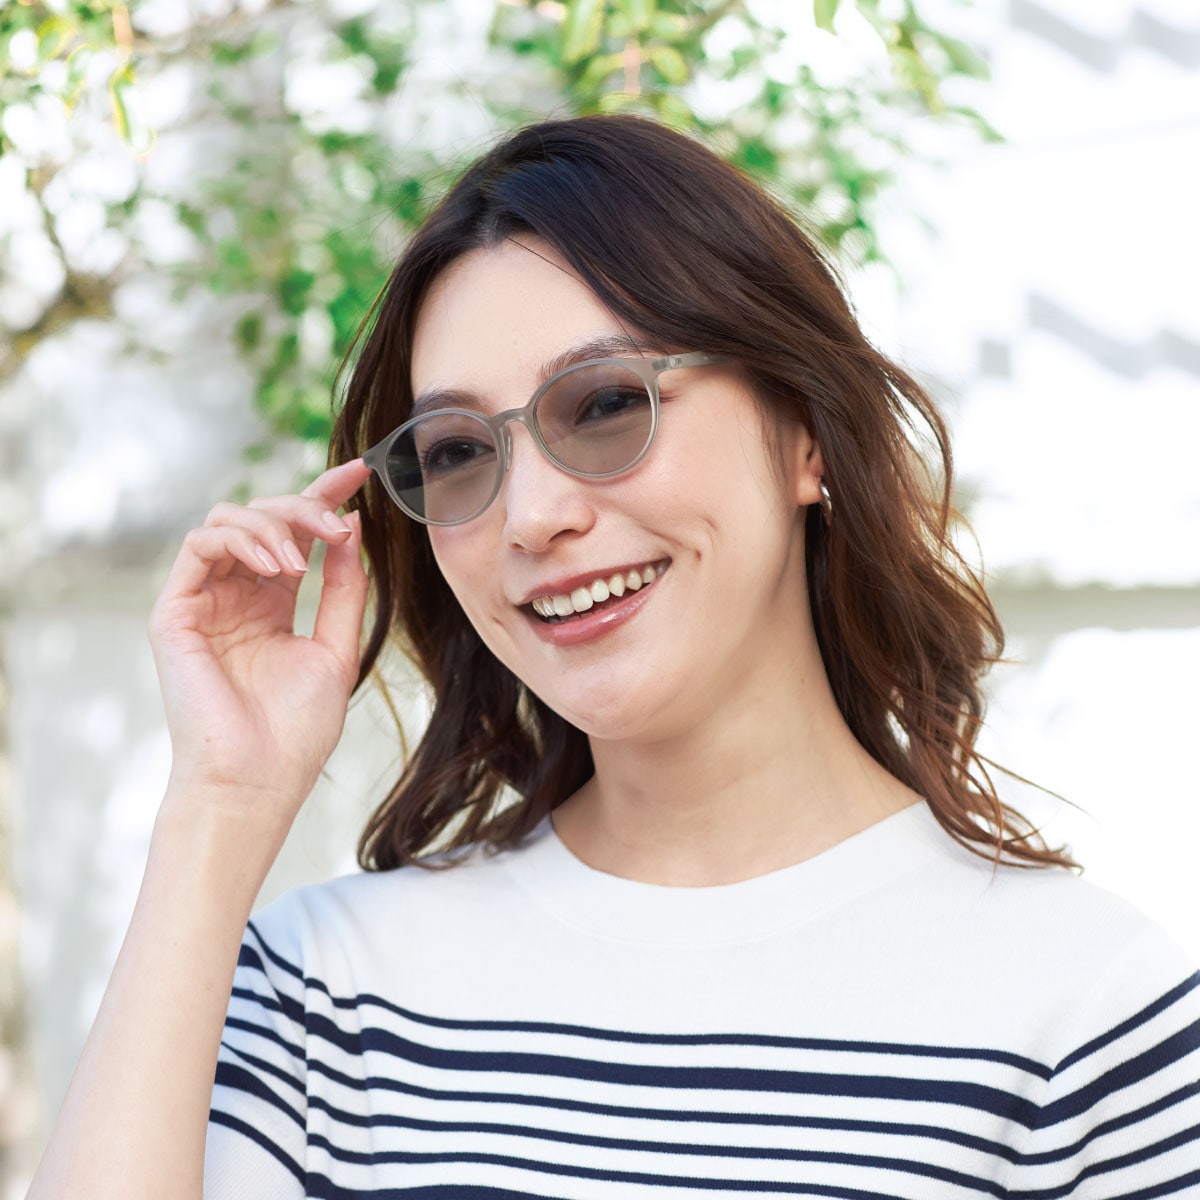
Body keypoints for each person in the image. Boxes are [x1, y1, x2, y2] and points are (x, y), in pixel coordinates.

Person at [29, 115, 1200, 1199]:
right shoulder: (327, 994)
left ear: (805, 432)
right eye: (457, 453)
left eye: (604, 406)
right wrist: (220, 805)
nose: (532, 517)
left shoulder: (1085, 1013)